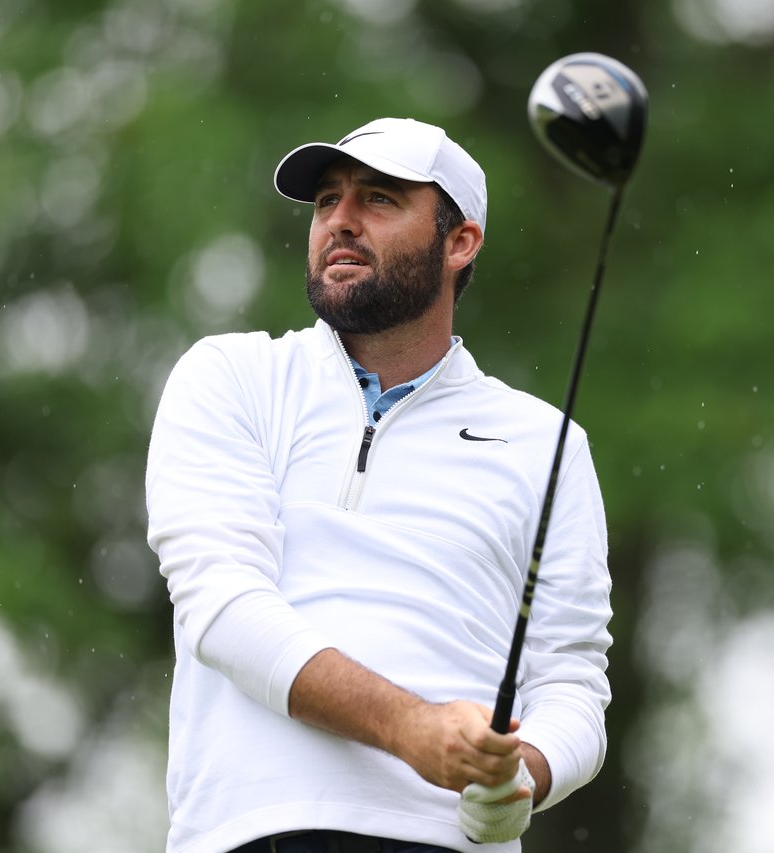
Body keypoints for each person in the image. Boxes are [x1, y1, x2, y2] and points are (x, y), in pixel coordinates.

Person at [145, 117, 613, 853]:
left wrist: (520, 773)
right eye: (327, 200)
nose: (340, 222)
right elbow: (222, 604)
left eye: (379, 200)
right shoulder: (233, 377)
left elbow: (573, 680)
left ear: (460, 241)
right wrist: (413, 729)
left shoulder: (545, 443)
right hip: (253, 831)